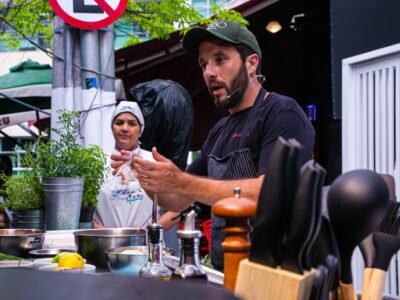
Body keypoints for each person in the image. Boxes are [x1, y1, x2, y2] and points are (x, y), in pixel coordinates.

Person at [111, 20, 315, 269]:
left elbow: (272, 193)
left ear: (251, 63)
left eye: (220, 59)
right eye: (204, 63)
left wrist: (181, 180)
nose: (209, 72)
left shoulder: (282, 114)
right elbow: (177, 200)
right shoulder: (219, 131)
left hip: (274, 276)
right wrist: (142, 172)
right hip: (225, 271)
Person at [94, 101, 178, 230]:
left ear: (140, 130)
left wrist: (148, 234)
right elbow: (82, 212)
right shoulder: (97, 163)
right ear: (112, 128)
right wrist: (103, 235)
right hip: (105, 246)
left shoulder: (154, 162)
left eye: (132, 123)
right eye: (119, 122)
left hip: (147, 246)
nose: (125, 128)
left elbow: (175, 211)